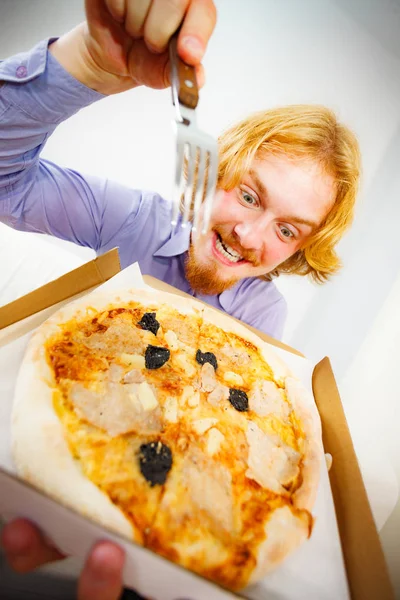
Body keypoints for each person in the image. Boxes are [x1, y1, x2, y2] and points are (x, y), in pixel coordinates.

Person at [0, 0, 360, 598]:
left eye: (288, 230)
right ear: (216, 169)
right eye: (248, 195)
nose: (250, 236)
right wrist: (84, 63)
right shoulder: (133, 220)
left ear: (299, 253)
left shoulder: (266, 321)